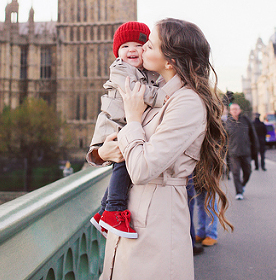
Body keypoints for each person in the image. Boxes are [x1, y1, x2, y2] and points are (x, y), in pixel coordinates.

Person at [89, 18, 232, 280]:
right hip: (132, 216)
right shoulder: (153, 92)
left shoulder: (186, 102)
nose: (140, 50)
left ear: (169, 61)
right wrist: (102, 152)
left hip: (156, 222)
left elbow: (142, 167)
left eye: (148, 45)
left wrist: (133, 118)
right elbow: (127, 145)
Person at [87, 22, 164, 239]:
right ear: (117, 53)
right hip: (115, 126)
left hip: (124, 126)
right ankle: (113, 210)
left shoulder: (147, 72)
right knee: (123, 166)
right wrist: (162, 98)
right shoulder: (121, 69)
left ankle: (103, 212)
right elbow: (139, 92)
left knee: (122, 167)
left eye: (139, 45)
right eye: (125, 46)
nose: (132, 49)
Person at [225, 103, 258, 200]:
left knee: (248, 171)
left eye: (236, 109)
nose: (235, 111)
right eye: (232, 109)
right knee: (235, 173)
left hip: (246, 152)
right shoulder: (228, 122)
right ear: (230, 111)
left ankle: (242, 185)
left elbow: (253, 136)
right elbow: (224, 138)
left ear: (239, 110)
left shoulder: (245, 120)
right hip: (233, 153)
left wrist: (255, 151)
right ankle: (239, 192)